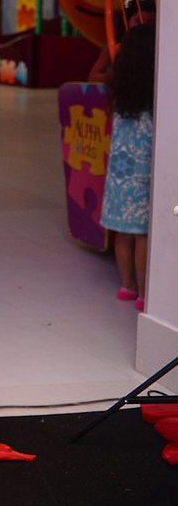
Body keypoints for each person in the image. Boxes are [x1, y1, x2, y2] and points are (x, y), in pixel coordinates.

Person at [100, 21, 155, 312]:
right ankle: (145, 294)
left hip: (118, 174)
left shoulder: (120, 94)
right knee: (142, 233)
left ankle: (127, 286)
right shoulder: (153, 98)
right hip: (143, 174)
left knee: (122, 232)